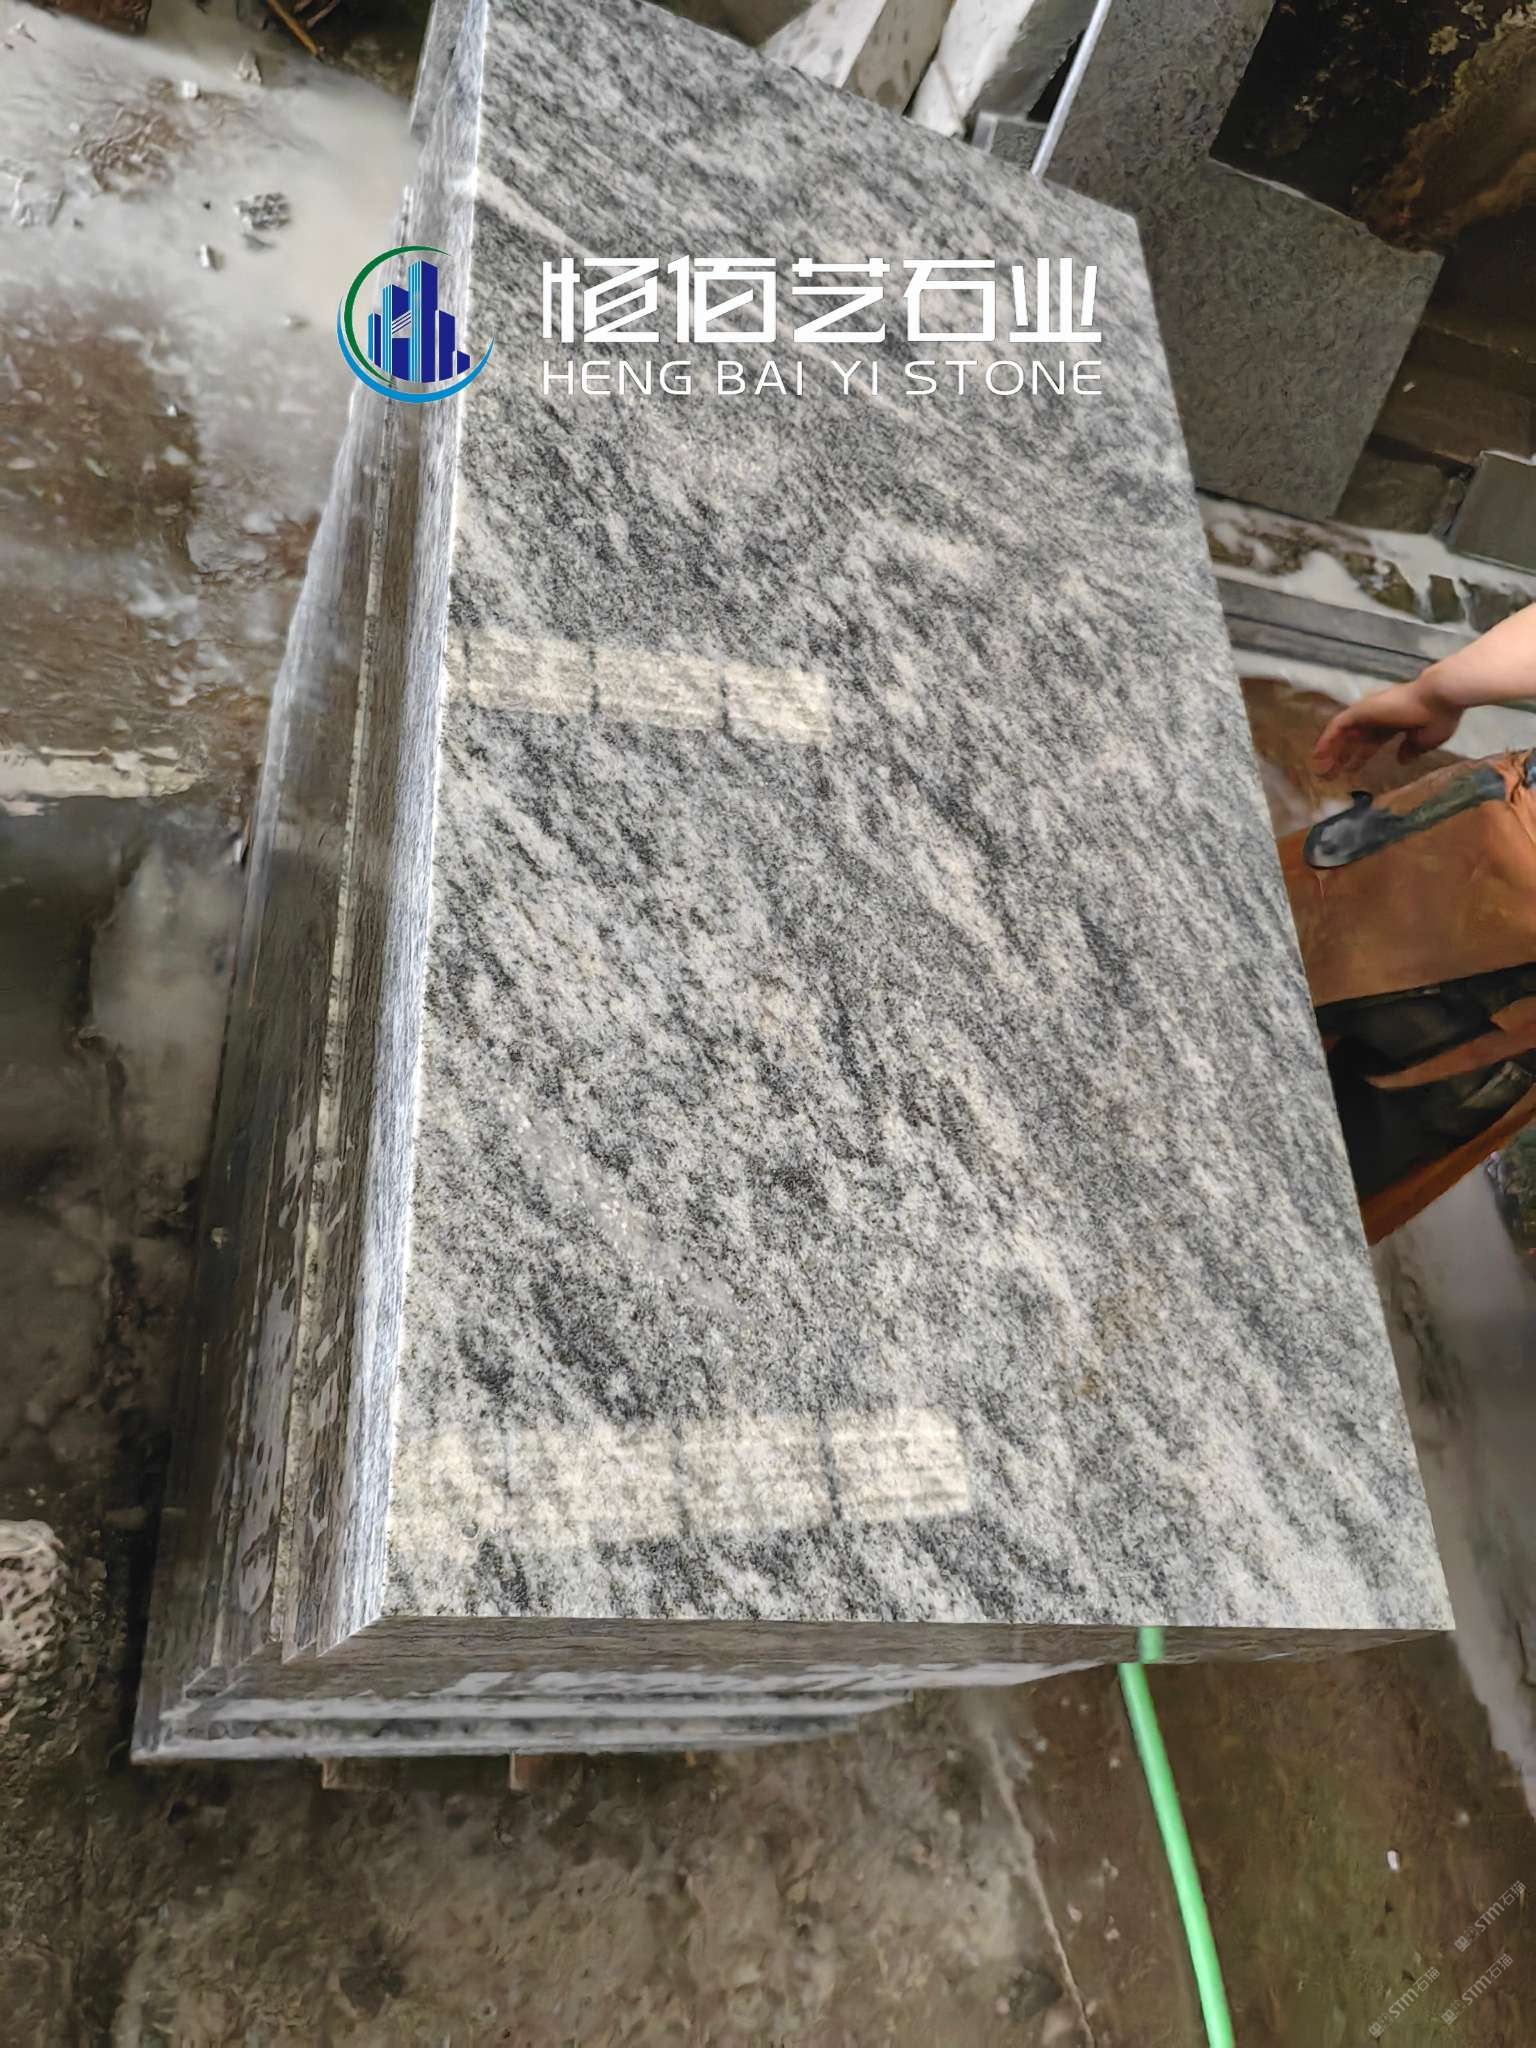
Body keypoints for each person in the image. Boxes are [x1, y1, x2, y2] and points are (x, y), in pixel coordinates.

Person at [1277, 602, 1536, 1241]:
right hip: (1508, 1003)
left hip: (1466, 830)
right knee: (1297, 1195)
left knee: (1181, 977)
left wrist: (1438, 690)